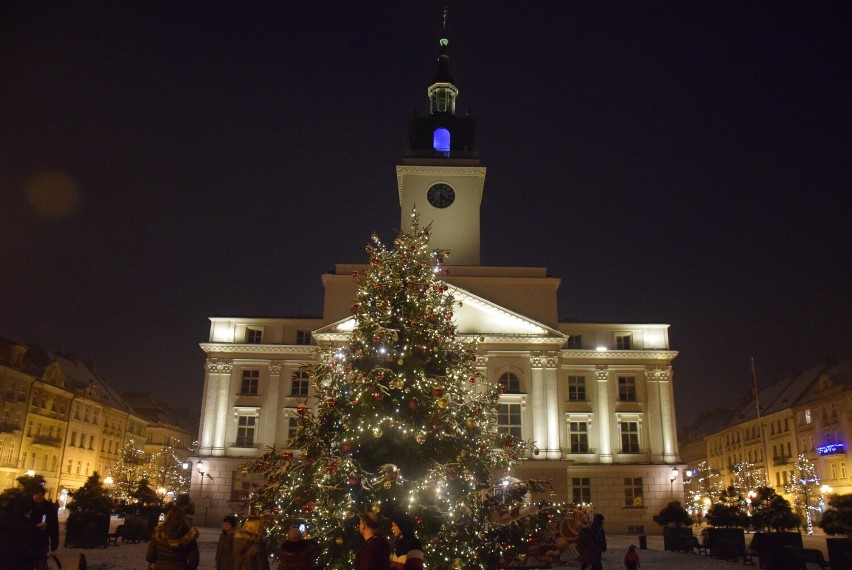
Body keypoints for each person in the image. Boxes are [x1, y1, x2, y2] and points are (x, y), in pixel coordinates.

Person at [26, 486, 59, 570]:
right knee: (27, 562)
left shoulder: (49, 507)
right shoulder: (26, 506)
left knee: (41, 562)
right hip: (27, 539)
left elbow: (54, 525)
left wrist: (54, 541)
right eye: (37, 494)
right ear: (33, 494)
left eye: (41, 494)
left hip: (42, 539)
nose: (39, 496)